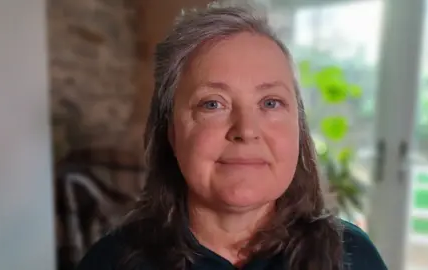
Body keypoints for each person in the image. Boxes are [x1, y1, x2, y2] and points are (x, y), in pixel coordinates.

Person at [76, 3, 387, 270]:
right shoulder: (112, 262)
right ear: (170, 132)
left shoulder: (351, 257)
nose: (246, 130)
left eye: (270, 103)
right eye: (213, 104)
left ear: (299, 129)